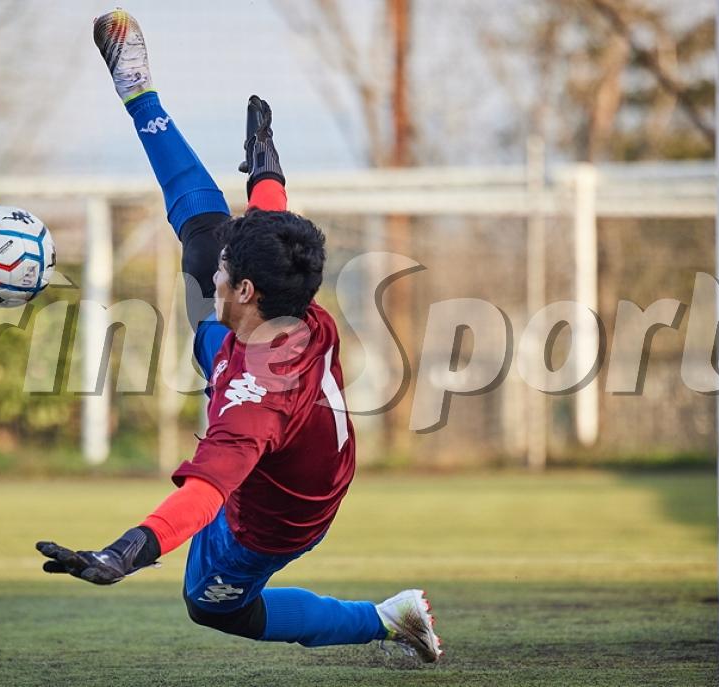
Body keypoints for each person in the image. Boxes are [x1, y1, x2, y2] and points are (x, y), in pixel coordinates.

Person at [35, 9, 441, 663]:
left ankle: (386, 618)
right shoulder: (292, 297)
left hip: (277, 516)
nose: (220, 272)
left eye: (231, 272)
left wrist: (125, 552)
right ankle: (139, 92)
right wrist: (266, 169)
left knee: (212, 605)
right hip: (291, 412)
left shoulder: (251, 401)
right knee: (199, 240)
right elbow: (272, 222)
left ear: (246, 291)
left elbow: (202, 495)